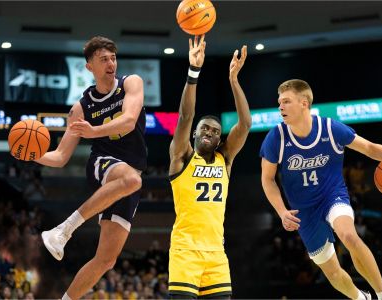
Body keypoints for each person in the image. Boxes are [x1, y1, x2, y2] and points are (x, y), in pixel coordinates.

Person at [260, 79, 382, 300]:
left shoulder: (330, 128)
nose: (280, 107)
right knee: (332, 273)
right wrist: (281, 211)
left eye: (286, 102)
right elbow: (268, 180)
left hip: (332, 196)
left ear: (304, 103)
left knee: (349, 236)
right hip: (303, 210)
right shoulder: (276, 137)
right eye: (279, 102)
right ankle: (361, 298)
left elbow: (369, 148)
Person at [36, 36, 146, 300]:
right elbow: (61, 156)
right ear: (89, 67)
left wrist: (94, 130)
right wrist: (32, 155)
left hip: (129, 175)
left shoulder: (131, 83)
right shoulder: (81, 108)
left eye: (113, 58)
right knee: (132, 180)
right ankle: (62, 230)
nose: (110, 63)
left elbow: (129, 121)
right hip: (103, 163)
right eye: (103, 59)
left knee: (106, 260)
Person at [168, 36, 251, 299]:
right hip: (185, 252)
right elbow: (186, 116)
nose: (210, 133)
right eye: (205, 128)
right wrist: (194, 72)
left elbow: (245, 124)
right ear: (194, 133)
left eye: (215, 131)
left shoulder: (224, 159)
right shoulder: (181, 155)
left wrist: (234, 81)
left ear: (219, 139)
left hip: (216, 254)